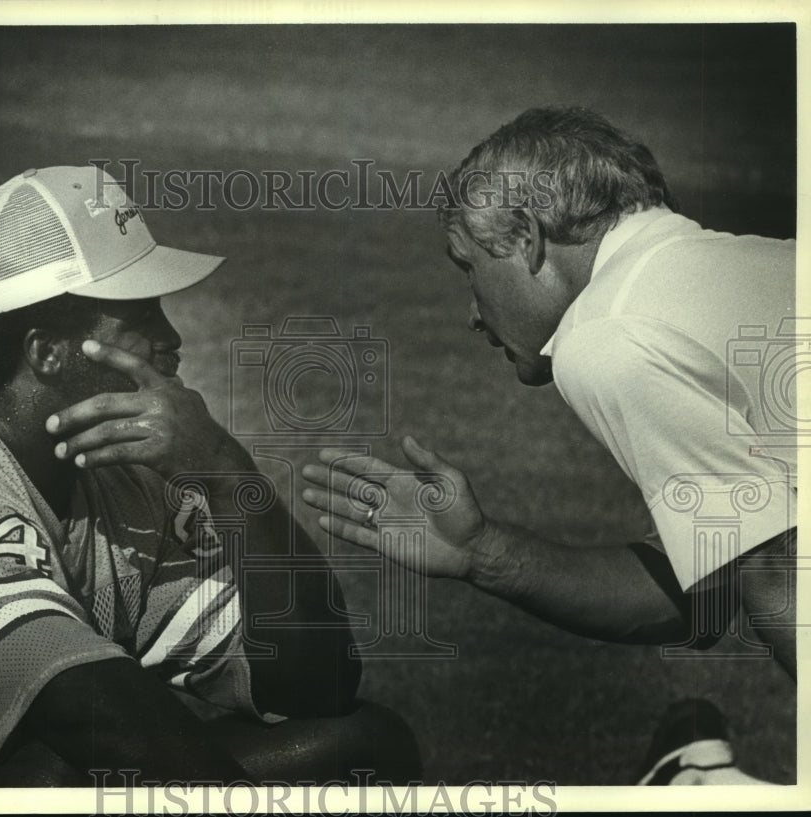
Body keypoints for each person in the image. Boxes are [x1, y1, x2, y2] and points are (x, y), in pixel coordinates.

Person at [0, 165, 418, 787]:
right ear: (47, 352)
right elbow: (93, 718)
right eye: (141, 317)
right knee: (69, 769)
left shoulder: (122, 484)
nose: (171, 340)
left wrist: (228, 475)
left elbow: (316, 684)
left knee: (359, 747)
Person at [301, 107, 797, 784]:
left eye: (468, 266)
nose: (472, 312)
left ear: (528, 238)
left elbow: (777, 580)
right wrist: (482, 552)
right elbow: (707, 592)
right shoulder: (735, 265)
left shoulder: (608, 334)